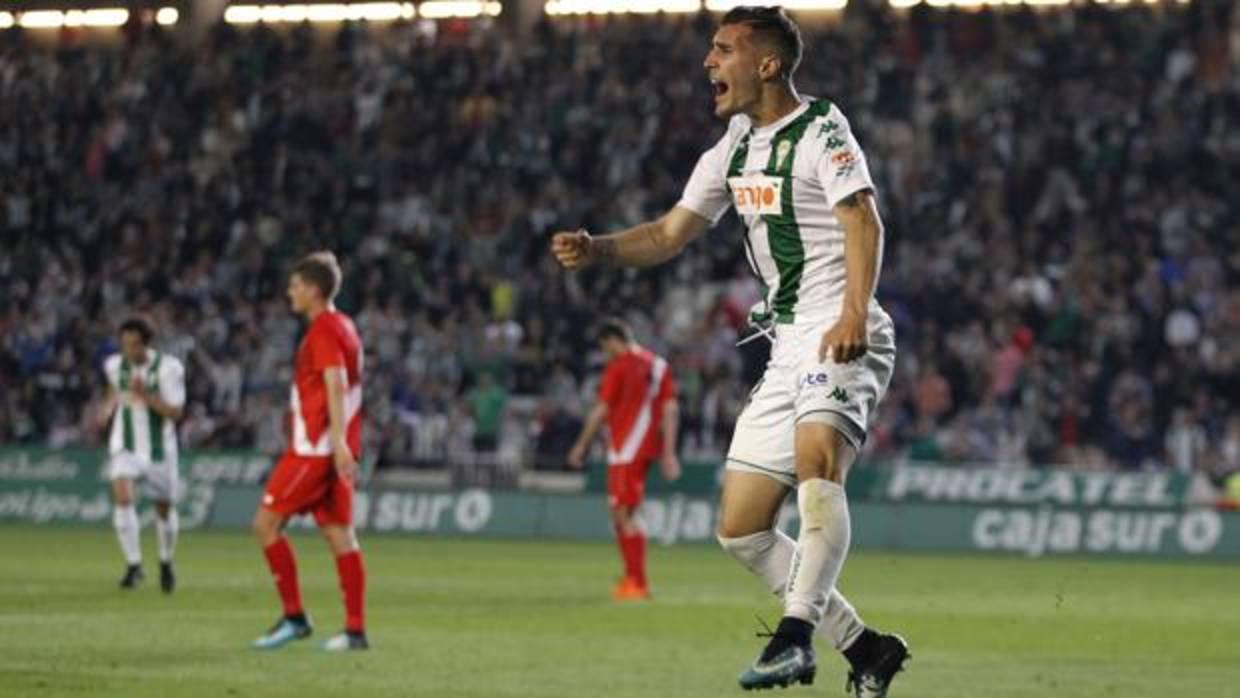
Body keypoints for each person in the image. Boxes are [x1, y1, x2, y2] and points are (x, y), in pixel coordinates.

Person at [551, 7, 907, 695]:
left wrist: (855, 311)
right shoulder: (733, 149)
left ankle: (795, 638)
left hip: (838, 324)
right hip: (785, 344)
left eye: (723, 50)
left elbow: (862, 216)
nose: (708, 63)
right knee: (741, 528)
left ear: (767, 64)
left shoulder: (820, 129)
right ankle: (866, 649)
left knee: (815, 464)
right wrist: (598, 250)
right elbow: (666, 234)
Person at [250, 251, 370, 652]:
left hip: (315, 449)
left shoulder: (322, 331)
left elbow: (335, 384)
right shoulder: (346, 326)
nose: (290, 293)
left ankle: (295, 618)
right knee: (340, 535)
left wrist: (335, 443)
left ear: (314, 291)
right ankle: (354, 631)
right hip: (334, 446)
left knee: (265, 525)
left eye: (296, 286)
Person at [567, 318, 681, 600]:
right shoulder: (659, 365)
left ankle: (637, 583)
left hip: (625, 447)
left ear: (613, 340)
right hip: (646, 448)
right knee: (623, 513)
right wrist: (668, 450)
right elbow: (670, 408)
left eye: (605, 348)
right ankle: (632, 577)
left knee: (622, 513)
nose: (606, 354)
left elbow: (600, 410)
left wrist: (581, 445)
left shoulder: (619, 367)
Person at [100, 317, 186, 593]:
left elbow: (176, 413)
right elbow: (114, 389)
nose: (129, 351)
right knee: (123, 497)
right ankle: (134, 565)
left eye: (134, 345)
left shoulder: (169, 369)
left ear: (147, 345)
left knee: (163, 509)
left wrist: (147, 396)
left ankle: (165, 561)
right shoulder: (114, 365)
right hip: (124, 445)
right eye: (124, 345)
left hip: (159, 450)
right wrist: (106, 408)